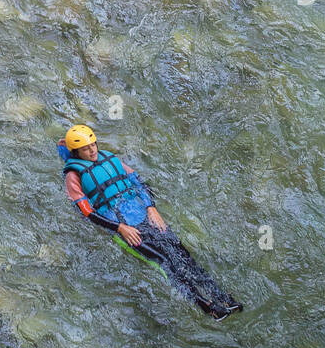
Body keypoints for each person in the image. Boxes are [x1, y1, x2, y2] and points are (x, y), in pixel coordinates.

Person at [59, 124, 242, 320]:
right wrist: (120, 228)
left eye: (94, 144)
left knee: (180, 253)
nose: (92, 150)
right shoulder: (73, 176)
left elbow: (139, 182)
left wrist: (151, 207)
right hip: (124, 229)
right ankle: (207, 306)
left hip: (144, 215)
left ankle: (221, 296)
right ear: (76, 152)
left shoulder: (110, 158)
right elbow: (87, 212)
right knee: (164, 262)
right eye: (86, 148)